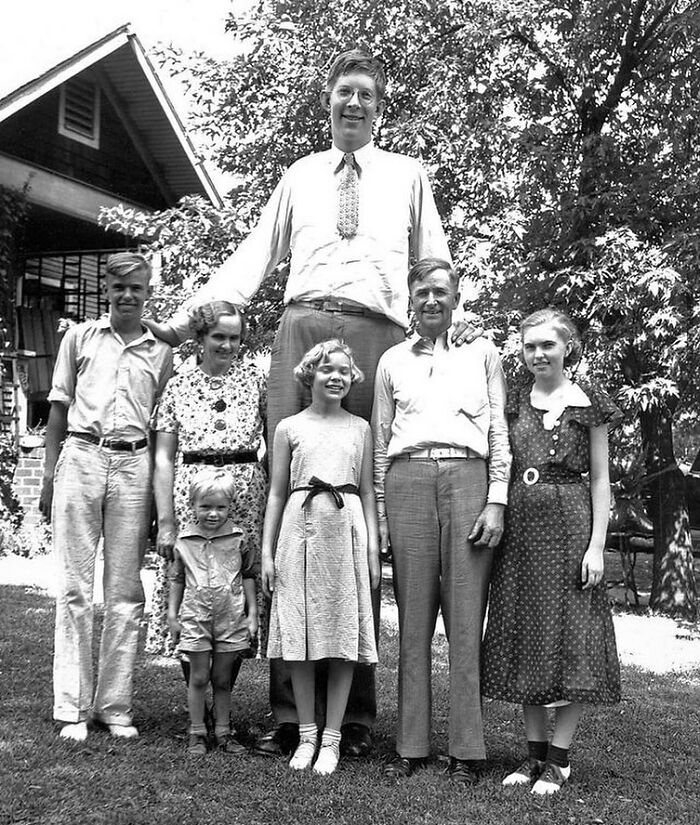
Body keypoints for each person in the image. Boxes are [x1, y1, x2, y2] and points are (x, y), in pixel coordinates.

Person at [146, 48, 469, 758]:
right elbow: (253, 257)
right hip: (301, 325)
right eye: (342, 94)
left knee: (357, 506)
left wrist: (446, 353)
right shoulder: (298, 176)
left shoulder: (409, 175)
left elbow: (435, 264)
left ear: (380, 109)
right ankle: (291, 713)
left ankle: (351, 716)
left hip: (375, 329)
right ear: (327, 103)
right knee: (294, 499)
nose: (352, 104)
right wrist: (189, 314)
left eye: (365, 96)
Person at [372, 258, 511, 783]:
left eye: (440, 292)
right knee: (412, 617)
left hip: (469, 479)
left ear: (456, 299)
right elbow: (381, 441)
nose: (431, 300)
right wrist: (383, 515)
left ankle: (468, 748)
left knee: (465, 615)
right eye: (421, 293)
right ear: (410, 300)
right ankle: (411, 745)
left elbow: (499, 430)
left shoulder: (483, 352)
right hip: (408, 480)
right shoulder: (391, 361)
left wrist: (496, 499)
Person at [481, 308, 622, 795]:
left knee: (572, 638)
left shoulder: (589, 403)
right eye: (529, 346)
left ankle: (560, 760)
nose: (538, 354)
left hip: (571, 529)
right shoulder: (514, 400)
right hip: (521, 532)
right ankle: (534, 754)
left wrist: (596, 547)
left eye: (547, 345)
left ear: (568, 348)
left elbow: (601, 478)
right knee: (527, 635)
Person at [39, 252, 173, 742]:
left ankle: (114, 706)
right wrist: (51, 475)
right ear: (106, 290)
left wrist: (164, 501)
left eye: (136, 287)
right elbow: (58, 406)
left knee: (125, 591)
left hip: (135, 463)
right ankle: (71, 706)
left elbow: (164, 428)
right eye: (119, 288)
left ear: (147, 291)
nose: (127, 296)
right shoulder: (79, 338)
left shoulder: (160, 350)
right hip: (82, 455)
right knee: (74, 586)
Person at [261, 340, 380, 775]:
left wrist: (371, 548)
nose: (336, 377)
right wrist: (268, 551)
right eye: (327, 369)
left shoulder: (360, 428)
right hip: (299, 532)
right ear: (309, 374)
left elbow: (366, 491)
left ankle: (332, 739)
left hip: (345, 535)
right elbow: (276, 492)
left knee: (342, 637)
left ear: (352, 380)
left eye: (344, 371)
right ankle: (307, 734)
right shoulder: (289, 427)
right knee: (300, 636)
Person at [146, 301, 267, 679]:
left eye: (235, 338)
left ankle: (224, 710)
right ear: (200, 338)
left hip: (244, 499)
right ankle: (200, 704)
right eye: (219, 336)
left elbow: (275, 444)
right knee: (195, 589)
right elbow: (164, 457)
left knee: (233, 588)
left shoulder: (254, 381)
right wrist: (166, 521)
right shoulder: (179, 385)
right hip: (192, 496)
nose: (227, 345)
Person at [168, 468, 258, 756]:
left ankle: (223, 731)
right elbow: (177, 579)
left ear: (231, 505)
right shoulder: (183, 542)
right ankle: (196, 731)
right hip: (196, 618)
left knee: (222, 678)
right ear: (192, 504)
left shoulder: (239, 539)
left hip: (230, 618)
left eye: (220, 507)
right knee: (197, 677)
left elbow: (247, 576)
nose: (213, 514)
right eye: (205, 506)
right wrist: (172, 616)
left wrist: (252, 613)